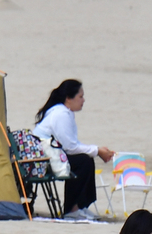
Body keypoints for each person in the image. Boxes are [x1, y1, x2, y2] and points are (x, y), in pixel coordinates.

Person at [34, 79, 114, 218]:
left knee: (84, 159)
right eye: (80, 96)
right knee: (83, 161)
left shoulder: (65, 112)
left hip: (51, 154)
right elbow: (70, 148)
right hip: (42, 159)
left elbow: (71, 145)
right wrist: (97, 151)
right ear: (69, 99)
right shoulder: (61, 114)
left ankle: (80, 206)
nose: (83, 100)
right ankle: (72, 209)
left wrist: (97, 150)